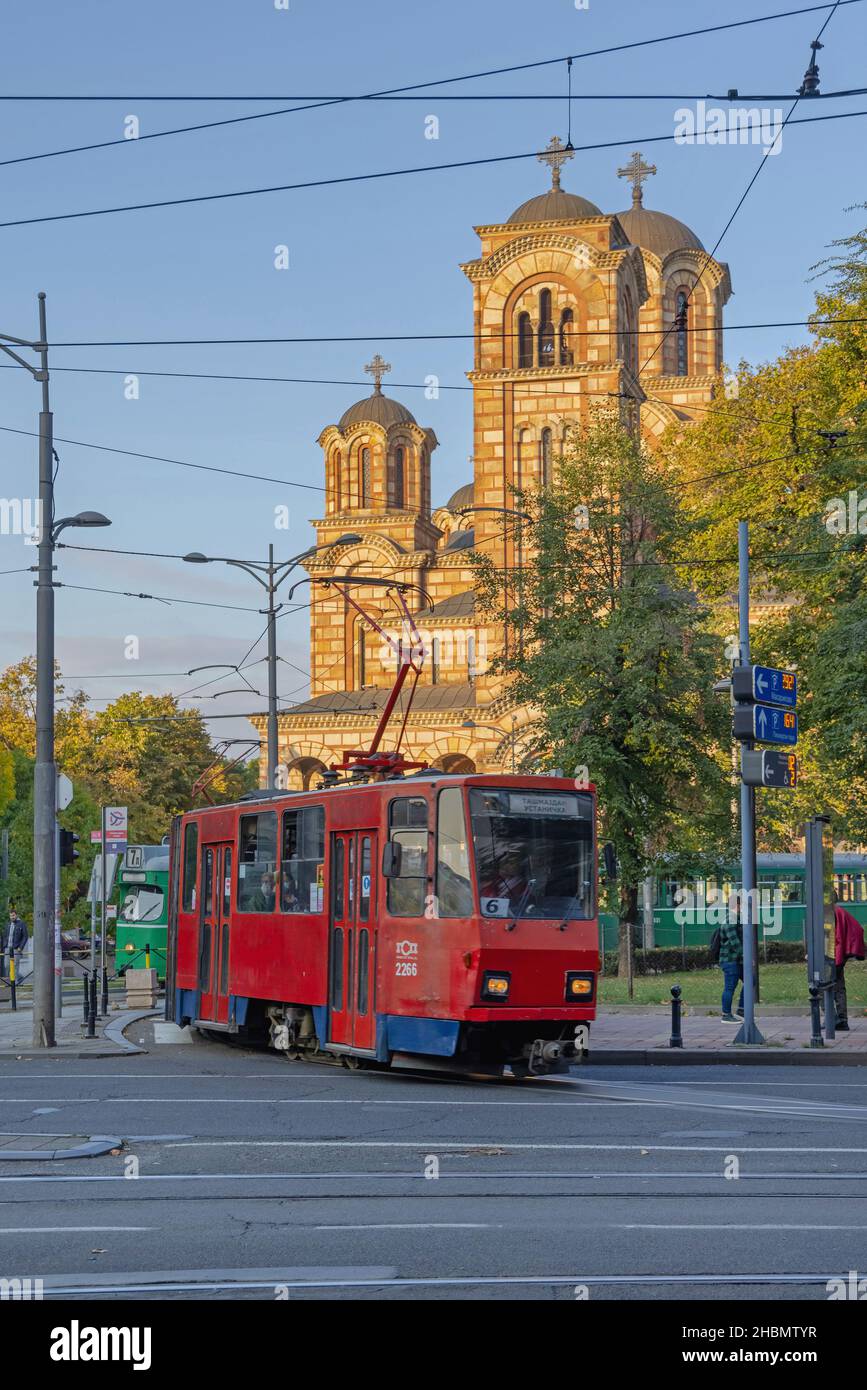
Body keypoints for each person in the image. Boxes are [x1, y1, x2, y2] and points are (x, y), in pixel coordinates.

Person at [829, 896, 866, 1032]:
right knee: (839, 986)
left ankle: (832, 1018)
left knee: (820, 986)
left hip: (833, 955)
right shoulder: (840, 911)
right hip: (840, 954)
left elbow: (834, 939)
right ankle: (842, 1020)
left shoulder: (830, 914)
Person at [719, 913, 744, 1022]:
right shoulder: (730, 921)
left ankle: (742, 1010)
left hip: (736, 960)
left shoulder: (737, 919)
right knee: (730, 987)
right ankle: (726, 1014)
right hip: (730, 960)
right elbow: (735, 942)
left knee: (750, 980)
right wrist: (745, 956)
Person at [4, 909, 28, 981]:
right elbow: (5, 935)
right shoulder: (8, 924)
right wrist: (5, 945)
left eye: (13, 915)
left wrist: (20, 947)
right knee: (7, 965)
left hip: (16, 948)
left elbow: (25, 936)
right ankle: (20, 977)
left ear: (16, 915)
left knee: (15, 965)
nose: (12, 917)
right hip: (8, 948)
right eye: (11, 916)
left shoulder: (21, 924)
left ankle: (15, 982)